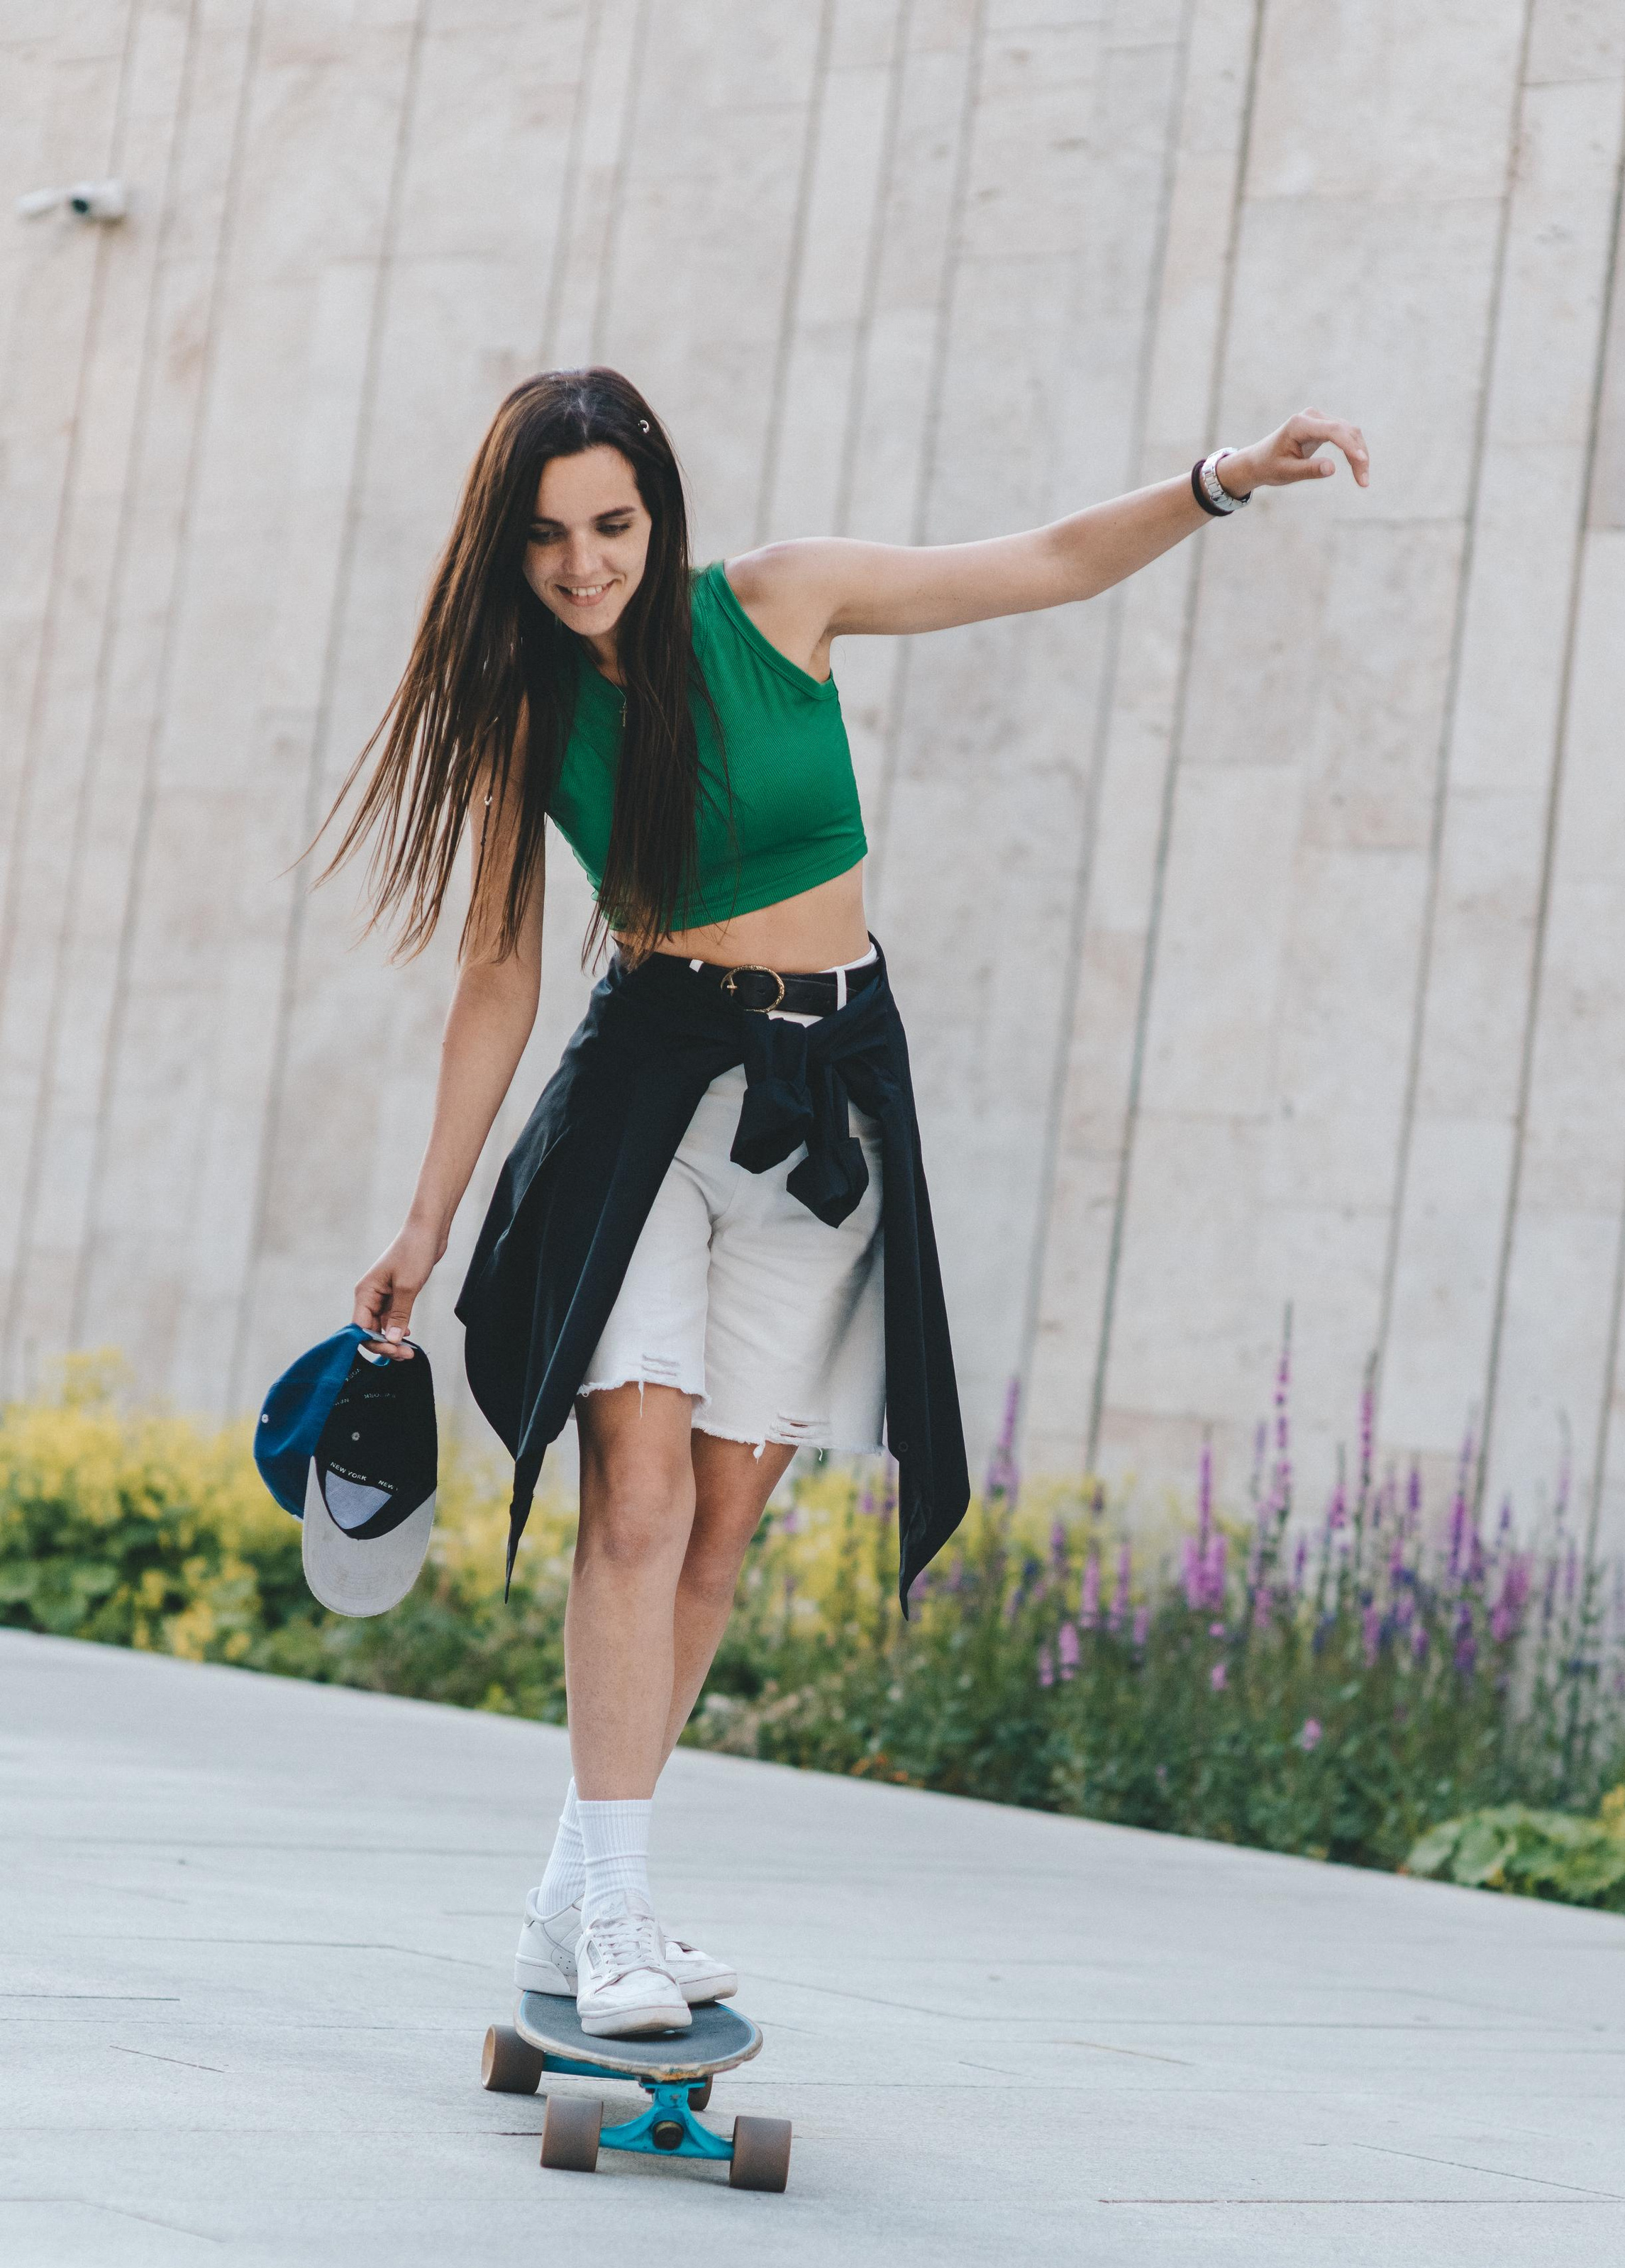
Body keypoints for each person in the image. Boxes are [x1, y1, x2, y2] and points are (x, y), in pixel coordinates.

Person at [328, 368, 1368, 2043]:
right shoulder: (530, 714)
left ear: (656, 506)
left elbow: (1030, 563)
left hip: (827, 1102)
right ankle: (616, 1914)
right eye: (544, 540)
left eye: (608, 525)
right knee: (642, 1497)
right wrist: (428, 1215)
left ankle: (569, 1900)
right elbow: (499, 970)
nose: (582, 566)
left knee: (725, 1524)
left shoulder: (780, 602)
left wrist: (1219, 481)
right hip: (650, 1099)